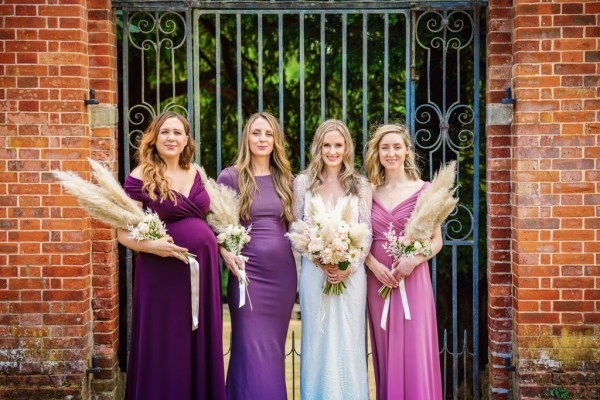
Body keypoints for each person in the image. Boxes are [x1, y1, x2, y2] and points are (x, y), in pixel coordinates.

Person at [119, 111, 226, 400]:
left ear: (186, 139)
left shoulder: (195, 172)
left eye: (178, 132)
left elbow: (211, 221)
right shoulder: (140, 175)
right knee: (166, 342)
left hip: (201, 272)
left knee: (197, 341)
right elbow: (122, 232)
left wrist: (226, 248)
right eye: (165, 132)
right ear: (154, 137)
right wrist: (154, 247)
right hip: (161, 274)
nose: (171, 138)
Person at [217, 111, 297, 400]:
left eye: (268, 133)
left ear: (276, 139)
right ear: (246, 138)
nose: (262, 139)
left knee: (272, 352)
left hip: (282, 278)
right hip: (247, 276)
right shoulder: (230, 176)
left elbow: (297, 227)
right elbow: (215, 225)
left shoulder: (286, 178)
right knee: (248, 347)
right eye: (256, 133)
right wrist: (226, 252)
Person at [293, 119, 372, 400]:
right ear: (318, 147)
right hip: (315, 274)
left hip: (351, 274)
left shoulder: (360, 185)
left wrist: (349, 266)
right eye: (327, 145)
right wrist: (319, 259)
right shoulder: (302, 183)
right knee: (318, 337)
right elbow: (296, 228)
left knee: (349, 340)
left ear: (346, 148)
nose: (332, 151)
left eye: (338, 145)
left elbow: (368, 232)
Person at [364, 123, 443, 399]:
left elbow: (437, 241)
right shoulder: (368, 192)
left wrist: (414, 260)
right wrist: (373, 265)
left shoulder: (425, 189)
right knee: (386, 348)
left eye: (397, 147)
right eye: (385, 147)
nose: (391, 153)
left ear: (407, 150)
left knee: (415, 348)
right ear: (377, 152)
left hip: (413, 280)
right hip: (379, 281)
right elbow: (360, 238)